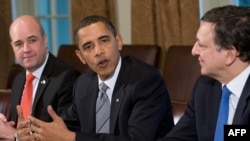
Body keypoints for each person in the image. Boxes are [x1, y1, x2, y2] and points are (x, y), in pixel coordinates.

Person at [16, 15, 174, 141]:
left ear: (118, 42)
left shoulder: (144, 80)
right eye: (88, 46)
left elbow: (136, 139)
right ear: (81, 56)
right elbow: (64, 127)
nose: (98, 51)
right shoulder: (84, 84)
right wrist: (33, 135)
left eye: (104, 40)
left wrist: (72, 138)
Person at [158, 5, 250, 141]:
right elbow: (179, 138)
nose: (194, 51)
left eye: (202, 45)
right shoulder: (205, 87)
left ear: (229, 54)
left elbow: (239, 133)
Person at [0, 15, 80, 140]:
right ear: (12, 47)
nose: (26, 49)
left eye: (32, 40)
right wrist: (4, 125)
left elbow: (63, 135)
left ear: (44, 39)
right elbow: (19, 126)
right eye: (18, 44)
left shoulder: (67, 77)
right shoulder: (19, 79)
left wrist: (14, 135)